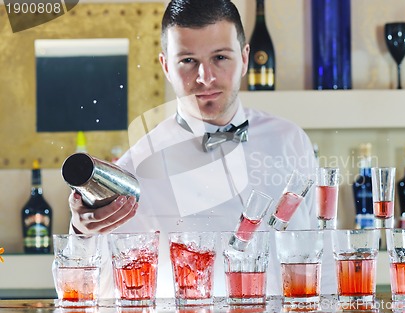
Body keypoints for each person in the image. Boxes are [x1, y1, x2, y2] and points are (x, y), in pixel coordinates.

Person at [68, 0, 329, 298]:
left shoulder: (291, 139)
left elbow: (322, 247)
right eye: (188, 61)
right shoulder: (135, 170)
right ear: (166, 66)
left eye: (220, 57)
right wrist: (81, 233)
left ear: (245, 58)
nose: (206, 77)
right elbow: (94, 291)